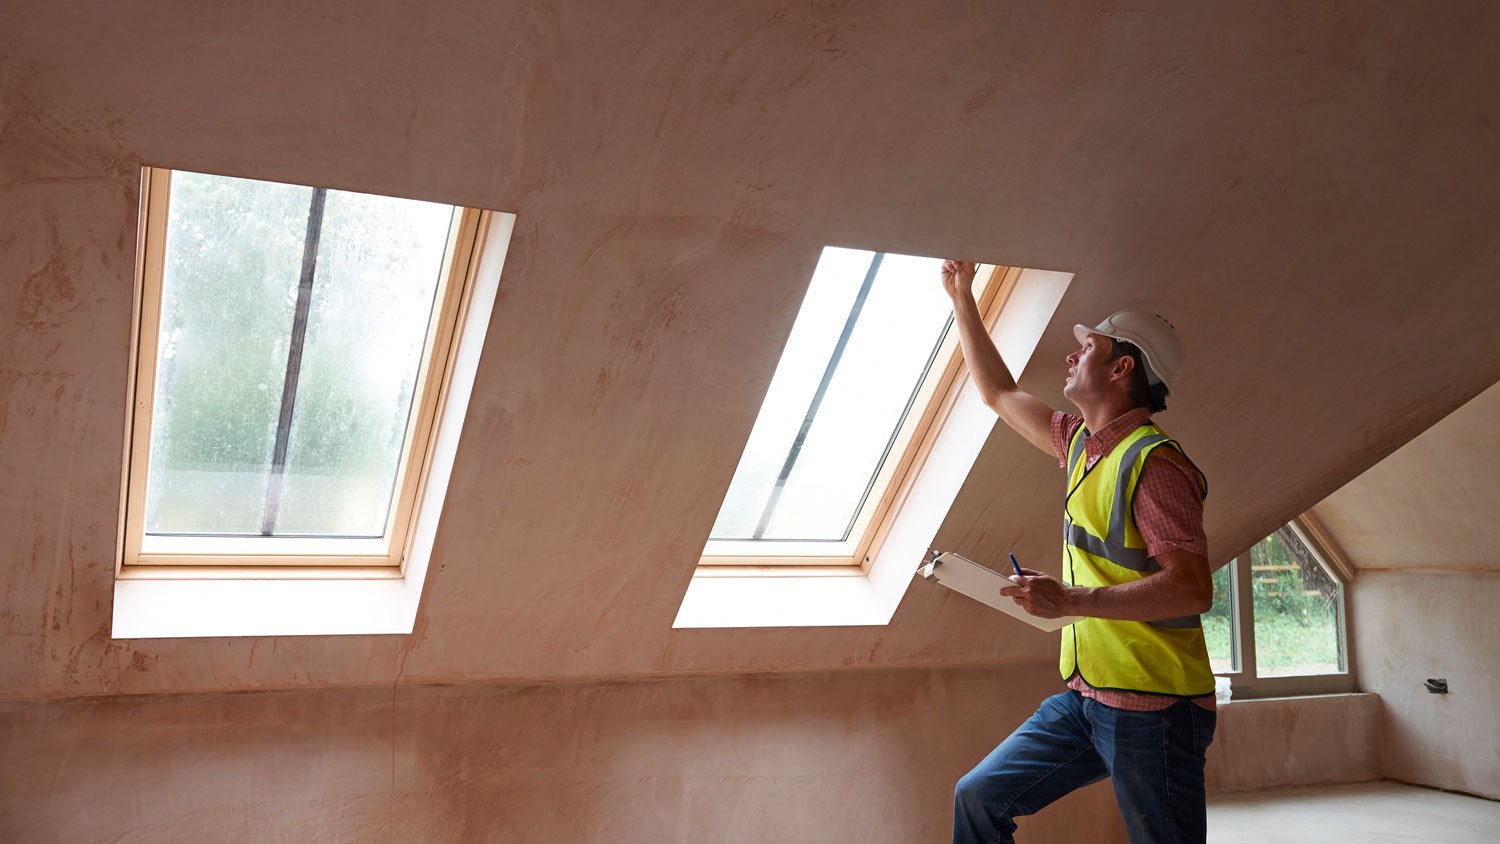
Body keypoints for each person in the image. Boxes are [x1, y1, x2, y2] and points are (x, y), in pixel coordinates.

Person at [941, 260, 1218, 844]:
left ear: (1122, 367)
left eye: (1085, 347)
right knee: (978, 797)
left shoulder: (1155, 462)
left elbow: (1192, 587)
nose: (1071, 356)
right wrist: (962, 296)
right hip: (1087, 697)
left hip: (1156, 708)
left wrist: (1069, 598)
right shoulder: (1081, 446)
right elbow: (999, 391)